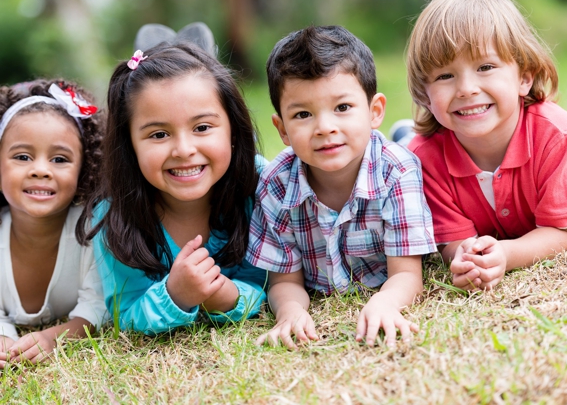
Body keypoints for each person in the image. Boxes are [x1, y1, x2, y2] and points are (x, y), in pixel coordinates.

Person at [247, 26, 436, 349]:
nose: (325, 128)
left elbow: (407, 273)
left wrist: (387, 301)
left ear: (374, 111)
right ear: (282, 129)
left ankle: (405, 134)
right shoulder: (276, 184)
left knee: (409, 148)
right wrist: (290, 310)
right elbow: (284, 280)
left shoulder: (397, 171)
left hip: (392, 170)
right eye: (303, 114)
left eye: (342, 108)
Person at [78, 41, 267, 335]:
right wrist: (174, 295)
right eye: (159, 134)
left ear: (233, 128)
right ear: (130, 146)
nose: (183, 149)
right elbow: (125, 312)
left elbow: (271, 280)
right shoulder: (115, 214)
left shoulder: (260, 183)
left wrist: (226, 297)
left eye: (202, 127)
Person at [406, 0, 567, 291]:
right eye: (445, 76)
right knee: (407, 144)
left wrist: (507, 254)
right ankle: (405, 130)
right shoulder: (421, 160)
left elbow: (564, 233)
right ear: (424, 95)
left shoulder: (558, 138)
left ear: (524, 77)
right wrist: (467, 258)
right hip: (421, 143)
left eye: (485, 67)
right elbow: (453, 240)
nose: (467, 88)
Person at [0, 79, 107, 368]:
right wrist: (5, 342)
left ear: (84, 169)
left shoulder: (92, 232)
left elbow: (96, 308)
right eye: (22, 157)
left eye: (60, 159)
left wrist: (52, 338)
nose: (40, 170)